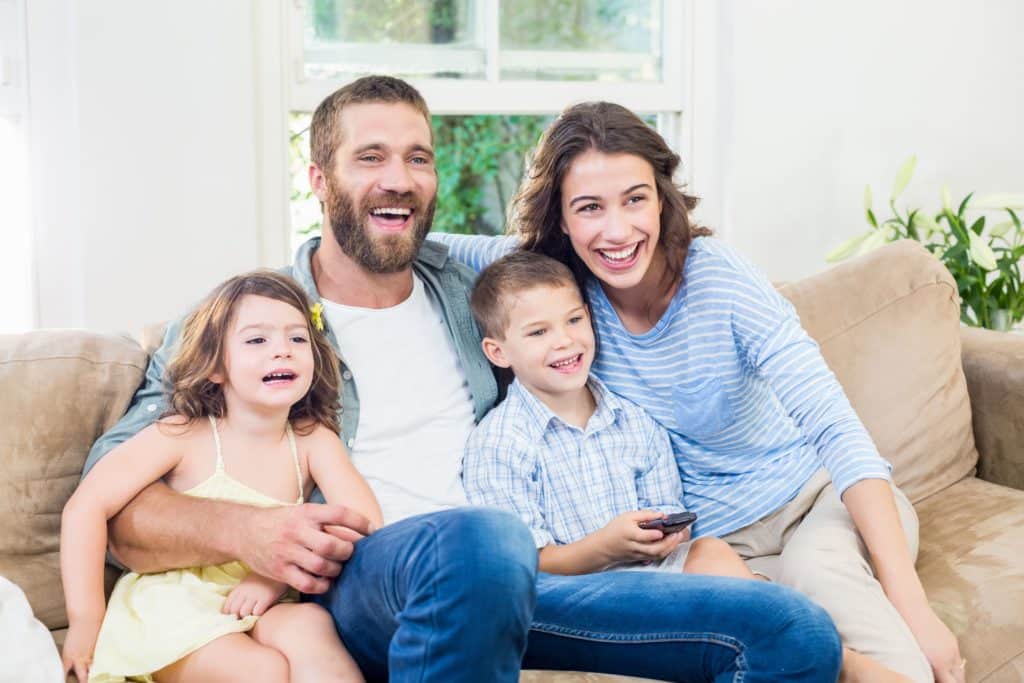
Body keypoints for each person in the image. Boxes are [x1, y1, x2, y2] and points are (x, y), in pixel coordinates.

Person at [81, 75, 842, 682]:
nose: (400, 180)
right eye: (370, 157)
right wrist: (250, 531)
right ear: (318, 177)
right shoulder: (251, 321)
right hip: (380, 579)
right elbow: (113, 508)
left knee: (792, 636)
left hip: (529, 574)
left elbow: (592, 240)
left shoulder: (469, 285)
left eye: (419, 157)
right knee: (482, 539)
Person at [434, 101, 967, 683]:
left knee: (822, 576)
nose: (616, 231)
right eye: (589, 208)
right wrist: (317, 250)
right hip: (712, 545)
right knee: (784, 641)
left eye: (635, 199)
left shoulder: (719, 278)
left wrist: (915, 607)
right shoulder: (555, 283)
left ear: (662, 198)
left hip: (817, 500)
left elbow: (837, 431)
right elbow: (428, 243)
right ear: (561, 220)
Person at [62, 271, 382, 683]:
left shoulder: (313, 441)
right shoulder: (183, 433)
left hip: (265, 601)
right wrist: (86, 619)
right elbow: (86, 506)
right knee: (263, 670)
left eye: (297, 338)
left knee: (310, 628)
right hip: (176, 605)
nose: (282, 351)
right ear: (215, 366)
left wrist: (271, 575)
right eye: (257, 340)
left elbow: (364, 520)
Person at [464, 251, 757, 581]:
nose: (564, 341)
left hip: (650, 575)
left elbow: (668, 508)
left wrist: (665, 535)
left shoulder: (633, 421)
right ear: (498, 352)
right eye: (538, 333)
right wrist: (604, 548)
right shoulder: (498, 444)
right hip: (576, 595)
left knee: (711, 552)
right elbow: (522, 563)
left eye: (574, 320)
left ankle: (765, 612)